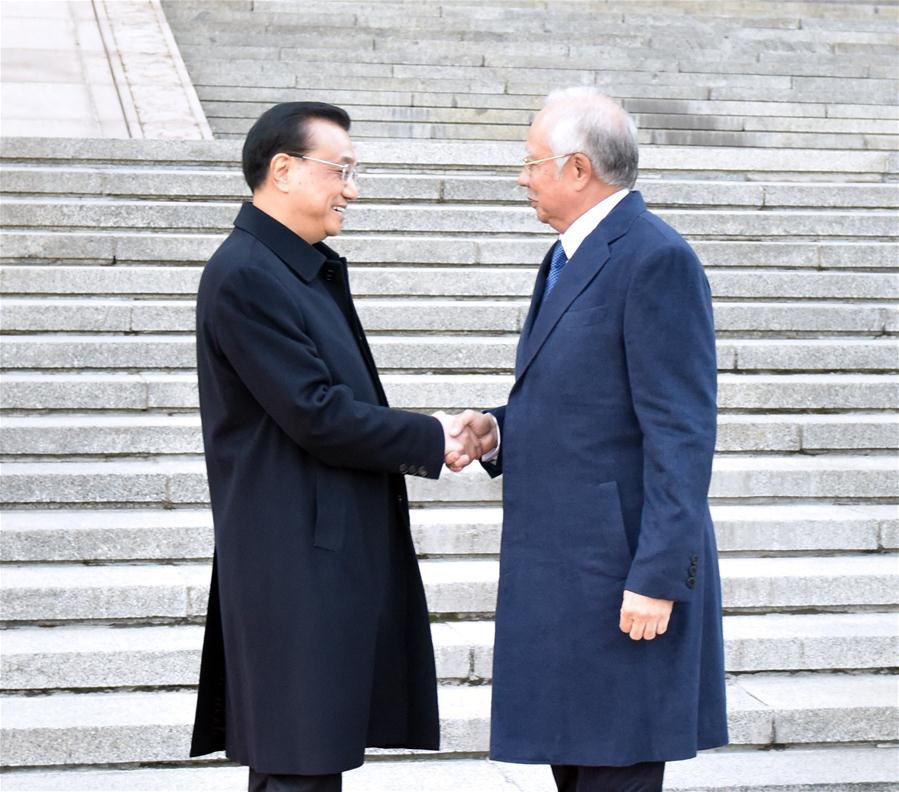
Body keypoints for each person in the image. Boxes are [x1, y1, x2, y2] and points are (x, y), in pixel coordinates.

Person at [189, 101, 478, 792]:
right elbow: (316, 414)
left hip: (314, 554)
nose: (352, 188)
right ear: (283, 171)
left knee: (306, 759)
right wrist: (432, 437)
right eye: (340, 170)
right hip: (289, 561)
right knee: (298, 764)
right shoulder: (247, 274)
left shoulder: (294, 268)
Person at [449, 88, 728, 792]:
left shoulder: (654, 258)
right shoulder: (564, 256)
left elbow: (680, 432)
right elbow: (583, 400)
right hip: (564, 584)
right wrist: (498, 428)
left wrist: (657, 579)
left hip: (622, 581)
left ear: (576, 169)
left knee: (616, 772)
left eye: (531, 161)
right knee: (575, 770)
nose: (521, 176)